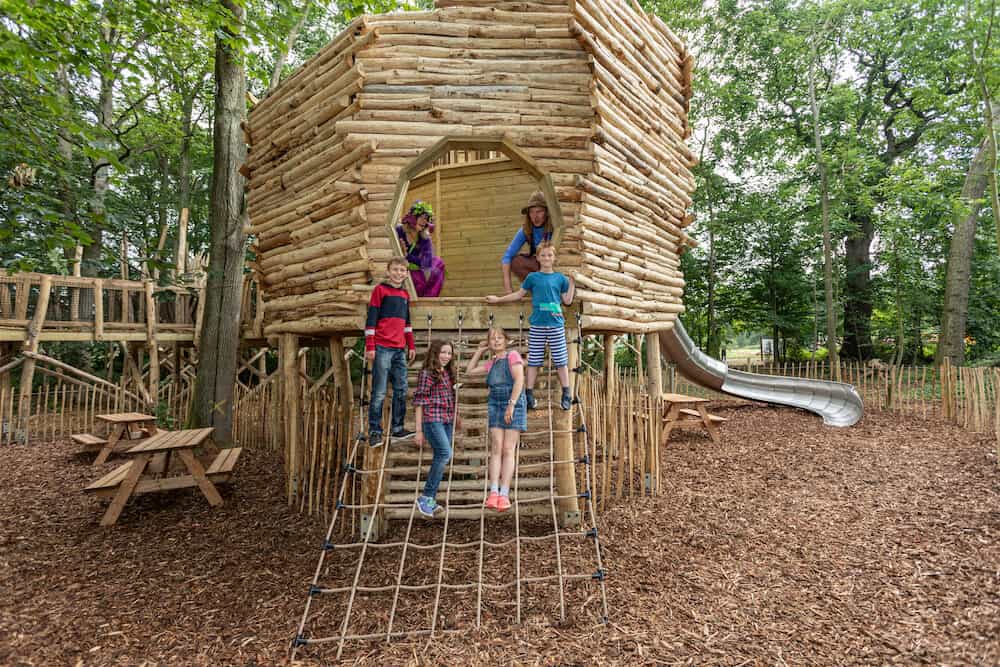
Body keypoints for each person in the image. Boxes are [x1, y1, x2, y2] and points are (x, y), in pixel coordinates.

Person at [486, 242, 574, 410]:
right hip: (537, 326)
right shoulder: (532, 278)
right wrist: (498, 299)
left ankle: (566, 393)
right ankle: (529, 393)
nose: (546, 258)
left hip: (556, 326)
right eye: (543, 255)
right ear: (538, 258)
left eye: (549, 255)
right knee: (534, 361)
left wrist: (572, 282)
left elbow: (567, 300)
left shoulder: (560, 278)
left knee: (561, 361)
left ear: (554, 258)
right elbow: (519, 295)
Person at [465, 327, 526, 512]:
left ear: (506, 340)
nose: (496, 341)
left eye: (500, 338)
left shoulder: (513, 356)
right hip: (494, 403)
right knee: (496, 447)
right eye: (492, 339)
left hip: (513, 402)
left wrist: (511, 405)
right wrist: (480, 350)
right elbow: (469, 371)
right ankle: (493, 492)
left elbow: (519, 381)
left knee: (508, 449)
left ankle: (504, 493)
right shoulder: (491, 363)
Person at [365, 257, 416, 446]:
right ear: (388, 271)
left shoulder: (404, 295)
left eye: (402, 270)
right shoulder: (380, 291)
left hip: (399, 349)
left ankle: (397, 429)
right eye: (395, 270)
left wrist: (410, 345)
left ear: (406, 273)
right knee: (379, 392)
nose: (398, 273)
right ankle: (375, 431)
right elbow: (371, 321)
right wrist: (370, 346)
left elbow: (407, 324)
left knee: (401, 389)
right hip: (382, 347)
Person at [413, 340, 460, 517]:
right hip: (432, 420)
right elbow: (419, 401)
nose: (447, 356)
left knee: (445, 455)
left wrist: (456, 415)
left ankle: (429, 500)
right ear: (434, 353)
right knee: (444, 454)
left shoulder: (447, 373)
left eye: (449, 353)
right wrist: (419, 431)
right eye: (443, 352)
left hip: (446, 420)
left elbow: (449, 397)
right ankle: (426, 497)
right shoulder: (427, 374)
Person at [501, 191, 553, 294]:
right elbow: (507, 256)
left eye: (539, 211)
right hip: (539, 267)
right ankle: (538, 289)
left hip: (555, 266)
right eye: (532, 212)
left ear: (546, 212)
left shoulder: (554, 226)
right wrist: (508, 289)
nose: (535, 216)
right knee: (516, 261)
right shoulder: (526, 229)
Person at [397, 201, 446, 297]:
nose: (425, 221)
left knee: (438, 263)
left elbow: (426, 263)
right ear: (413, 218)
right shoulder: (399, 231)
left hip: (416, 269)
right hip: (399, 268)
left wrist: (408, 256)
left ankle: (429, 299)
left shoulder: (425, 238)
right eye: (422, 217)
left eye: (427, 219)